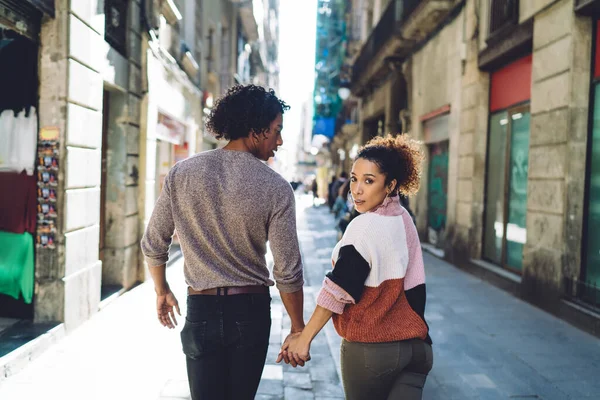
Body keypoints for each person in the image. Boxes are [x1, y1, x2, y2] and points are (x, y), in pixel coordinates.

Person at [141, 84, 306, 400]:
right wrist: (298, 329)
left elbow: (153, 243)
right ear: (256, 130)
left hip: (200, 308)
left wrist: (162, 291)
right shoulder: (276, 187)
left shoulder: (181, 174)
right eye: (276, 130)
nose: (280, 141)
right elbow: (288, 271)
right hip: (250, 312)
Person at [278, 134, 433, 400]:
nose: (357, 190)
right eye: (354, 179)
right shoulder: (403, 217)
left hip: (374, 351)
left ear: (391, 184)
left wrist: (304, 339)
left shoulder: (365, 226)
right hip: (417, 351)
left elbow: (338, 288)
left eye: (369, 181)